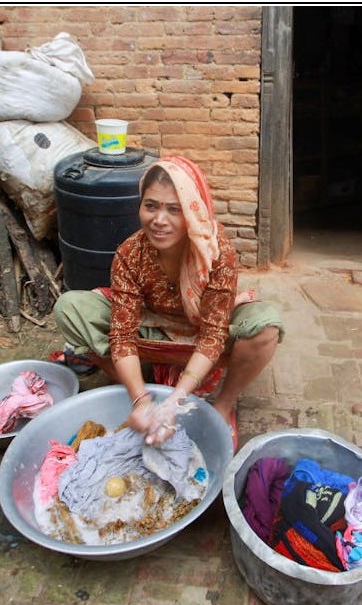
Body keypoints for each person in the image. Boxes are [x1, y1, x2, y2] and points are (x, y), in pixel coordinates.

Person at [53, 155, 284, 447]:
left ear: (193, 211)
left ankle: (223, 405)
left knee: (265, 326)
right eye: (151, 206)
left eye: (174, 210)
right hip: (153, 325)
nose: (159, 220)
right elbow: (123, 334)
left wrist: (175, 401)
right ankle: (135, 389)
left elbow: (213, 335)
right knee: (70, 308)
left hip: (204, 328)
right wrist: (142, 401)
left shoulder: (215, 252)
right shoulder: (130, 253)